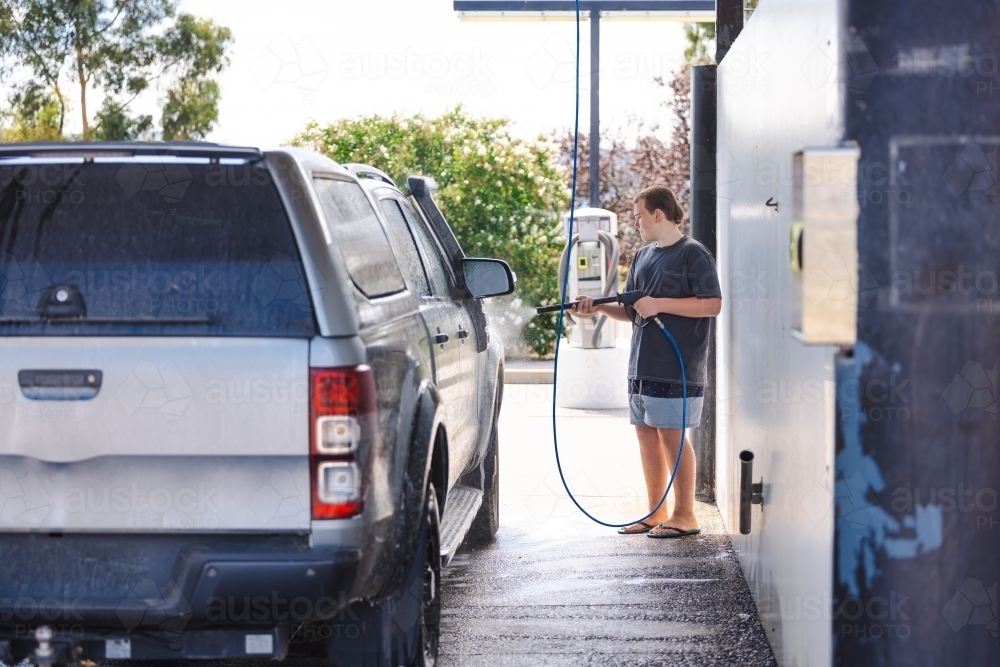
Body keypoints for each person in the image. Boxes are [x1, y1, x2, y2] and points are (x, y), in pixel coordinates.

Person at [575, 185, 722, 538]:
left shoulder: (693, 254)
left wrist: (659, 303)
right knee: (646, 438)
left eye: (639, 216)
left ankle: (686, 515)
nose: (636, 223)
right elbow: (631, 311)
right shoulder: (642, 257)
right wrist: (595, 308)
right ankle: (656, 513)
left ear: (658, 214)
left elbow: (712, 304)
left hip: (677, 368)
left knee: (673, 437)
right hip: (641, 367)